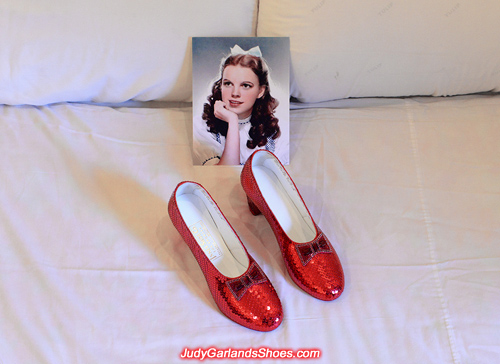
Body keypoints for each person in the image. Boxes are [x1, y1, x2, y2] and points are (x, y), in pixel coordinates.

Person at [193, 45, 287, 166]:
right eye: (228, 84)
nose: (235, 93)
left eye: (246, 85)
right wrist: (232, 121)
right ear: (220, 85)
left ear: (260, 91)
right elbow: (224, 173)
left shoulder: (276, 133)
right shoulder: (201, 126)